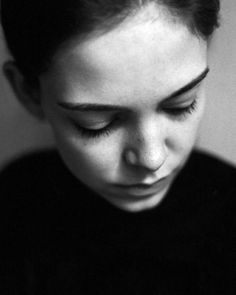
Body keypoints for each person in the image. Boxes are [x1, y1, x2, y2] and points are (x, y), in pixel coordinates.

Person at [0, 0, 235, 294]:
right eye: (96, 123)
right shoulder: (12, 209)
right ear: (29, 92)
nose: (152, 159)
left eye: (181, 106)